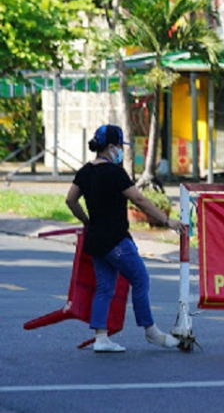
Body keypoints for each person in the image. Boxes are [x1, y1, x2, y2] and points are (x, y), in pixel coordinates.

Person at [65, 124, 184, 353]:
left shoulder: (85, 171)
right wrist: (166, 220)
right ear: (110, 147)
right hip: (117, 240)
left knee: (105, 288)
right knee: (140, 279)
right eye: (119, 146)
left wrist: (86, 221)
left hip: (96, 240)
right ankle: (151, 331)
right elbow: (139, 200)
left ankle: (101, 338)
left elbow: (71, 200)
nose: (121, 150)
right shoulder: (115, 172)